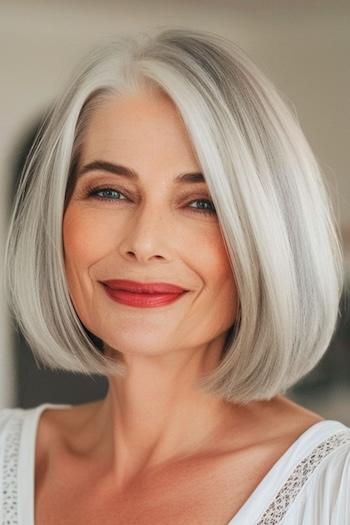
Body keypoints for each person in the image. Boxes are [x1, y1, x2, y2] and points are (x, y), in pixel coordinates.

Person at [1, 28, 349, 525]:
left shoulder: (334, 489)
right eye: (110, 192)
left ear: (268, 238)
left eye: (201, 203)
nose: (144, 242)